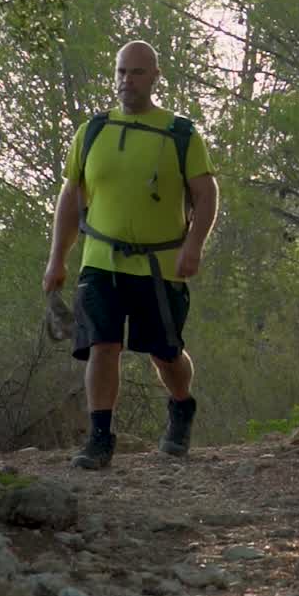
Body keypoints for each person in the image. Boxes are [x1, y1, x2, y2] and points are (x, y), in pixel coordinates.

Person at [42, 40, 218, 470]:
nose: (127, 80)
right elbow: (71, 197)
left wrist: (193, 247)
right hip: (101, 261)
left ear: (155, 76)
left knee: (165, 353)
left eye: (137, 72)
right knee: (102, 346)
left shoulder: (181, 133)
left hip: (160, 266)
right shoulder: (92, 131)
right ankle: (99, 438)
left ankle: (181, 405)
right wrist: (57, 259)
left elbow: (206, 193)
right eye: (121, 72)